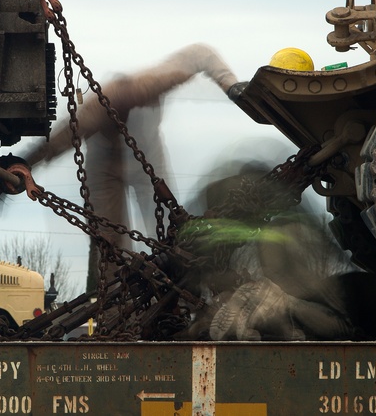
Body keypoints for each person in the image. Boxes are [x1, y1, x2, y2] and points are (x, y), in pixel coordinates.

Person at [23, 43, 238, 291]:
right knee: (110, 244)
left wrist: (231, 86)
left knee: (170, 233)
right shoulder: (96, 109)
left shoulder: (155, 81)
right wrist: (25, 163)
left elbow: (201, 54)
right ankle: (118, 302)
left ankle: (182, 292)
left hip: (147, 156)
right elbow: (61, 139)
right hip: (104, 164)